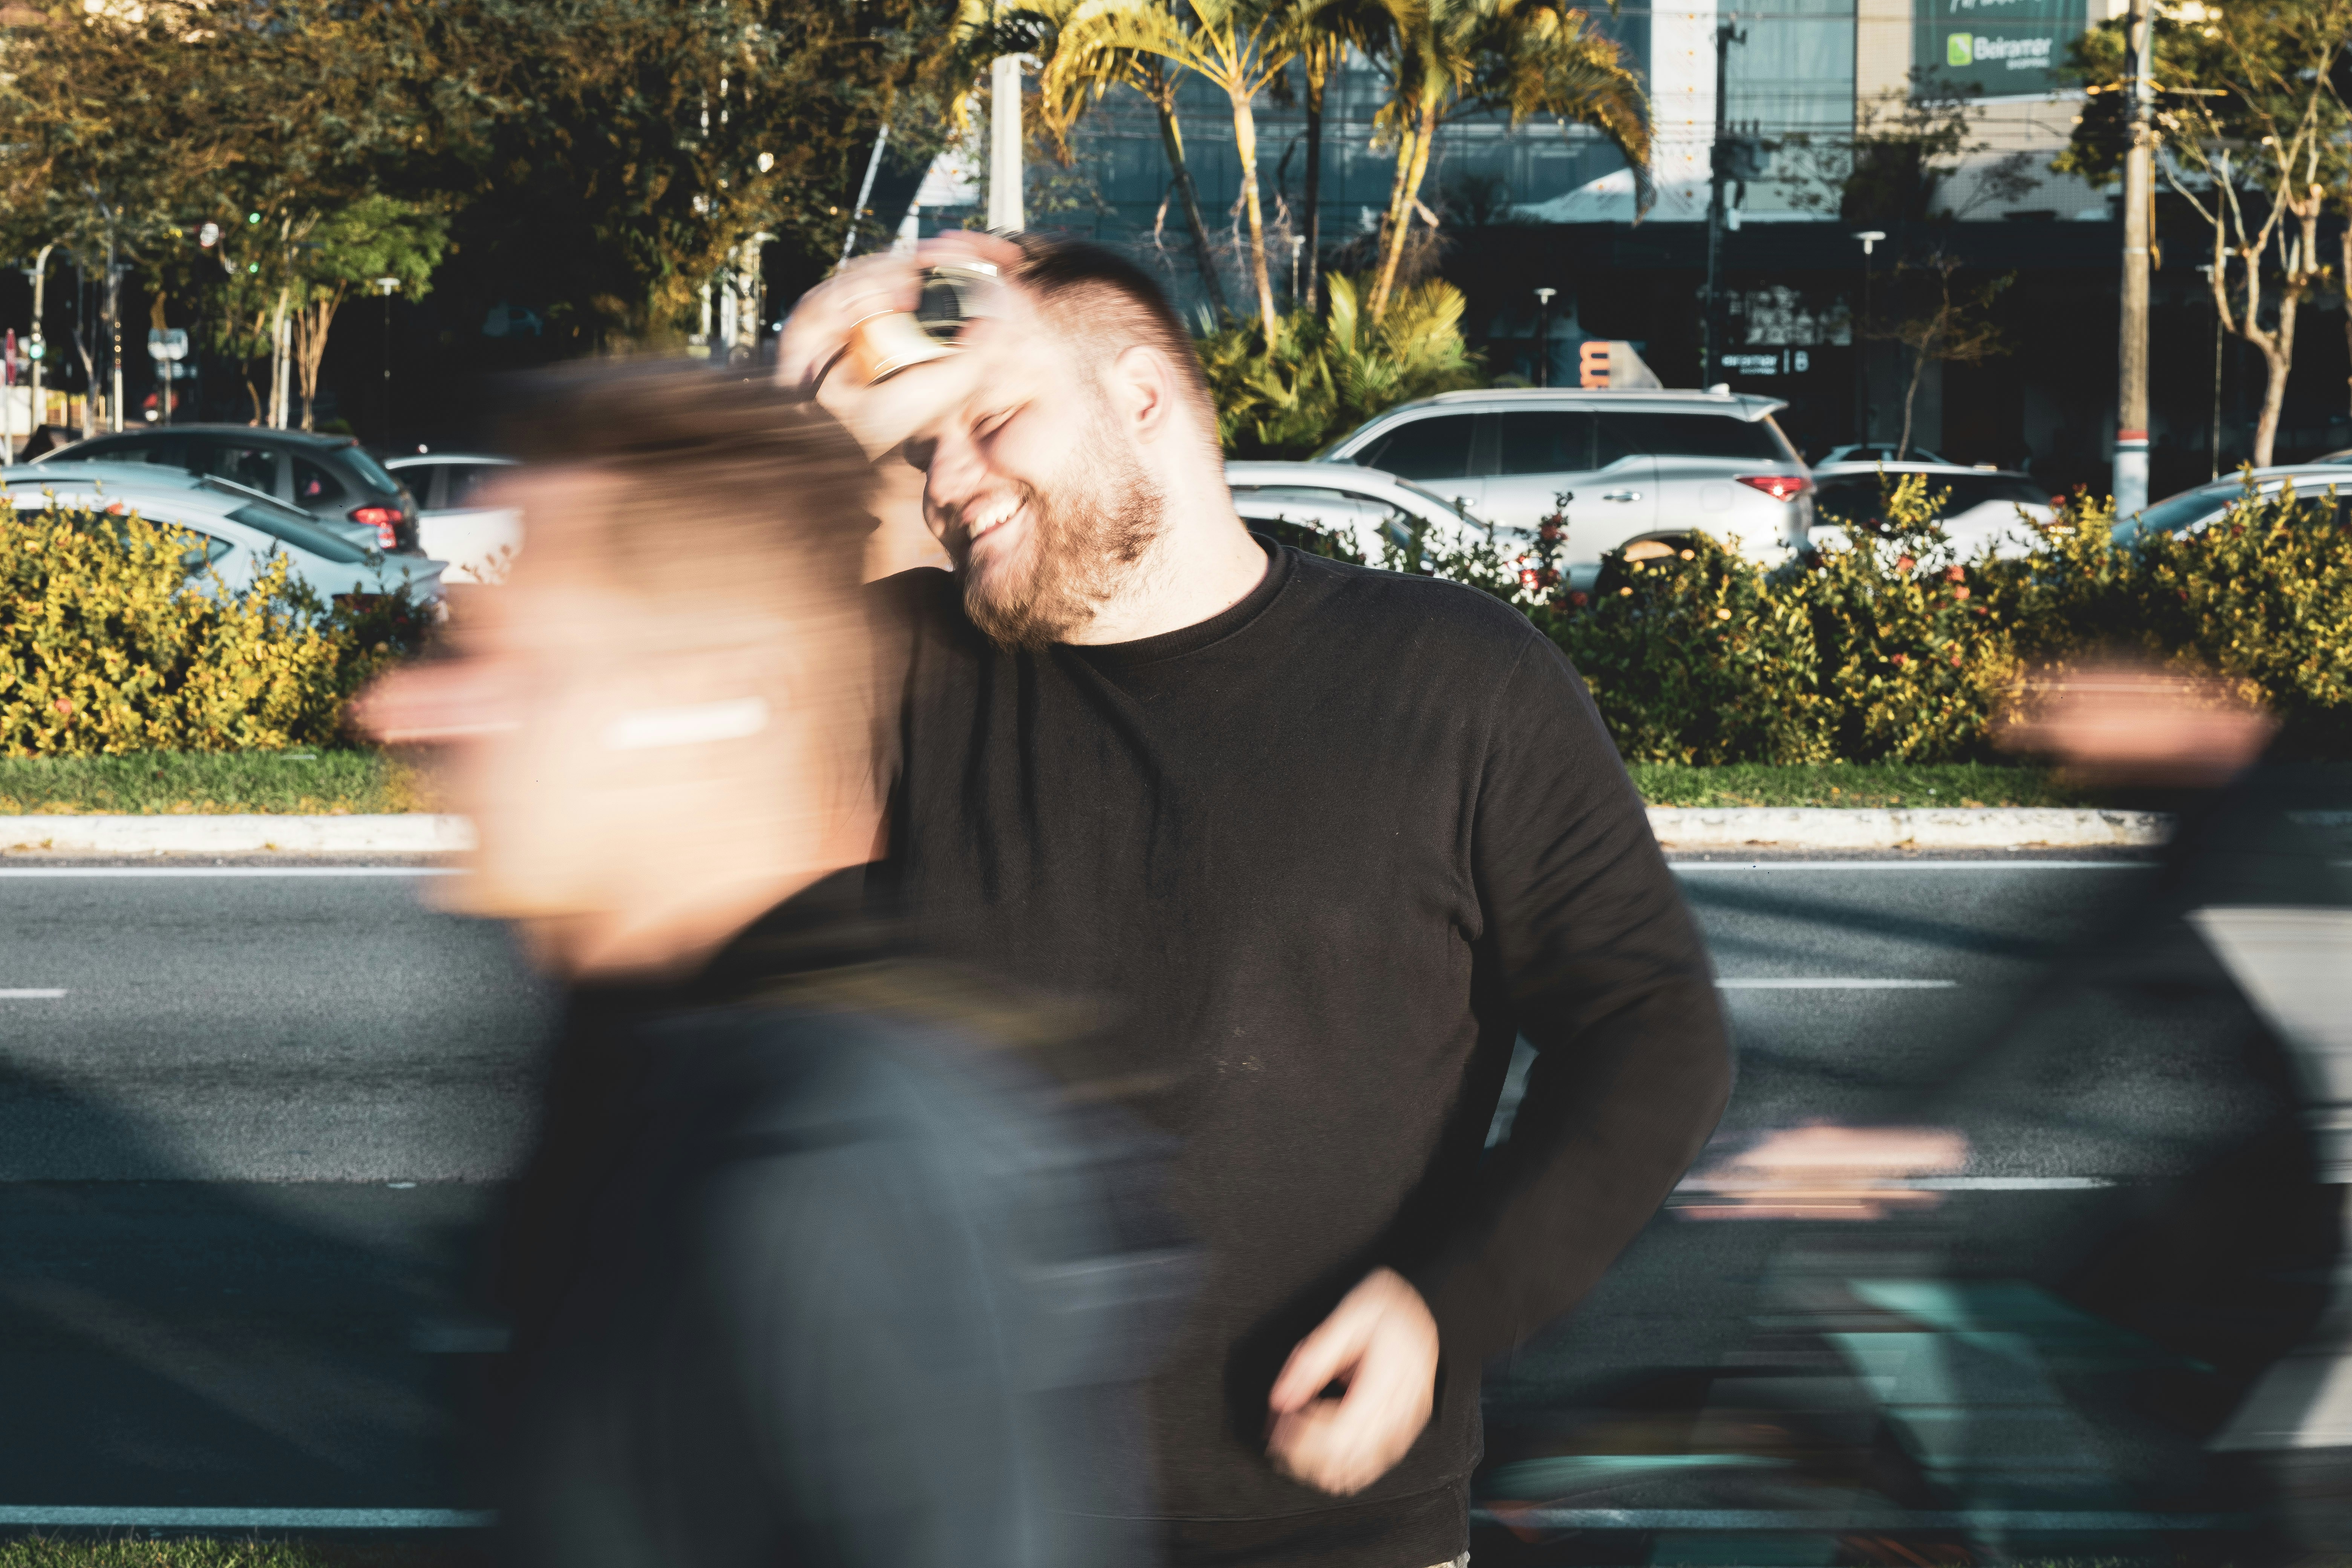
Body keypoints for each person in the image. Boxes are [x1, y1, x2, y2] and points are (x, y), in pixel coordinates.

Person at [780, 235, 1736, 1568]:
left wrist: (1446, 1310)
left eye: (992, 422)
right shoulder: (907, 679)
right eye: (922, 447)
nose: (947, 483)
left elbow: (1651, 1028)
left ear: (1141, 400)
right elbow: (666, 707)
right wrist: (797, 398)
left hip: (1337, 1526)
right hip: (950, 1512)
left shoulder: (1454, 681)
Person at [357, 361, 1181, 1568]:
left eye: (520, 671)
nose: (408, 713)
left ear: (717, 706)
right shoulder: (630, 1069)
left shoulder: (843, 1164)